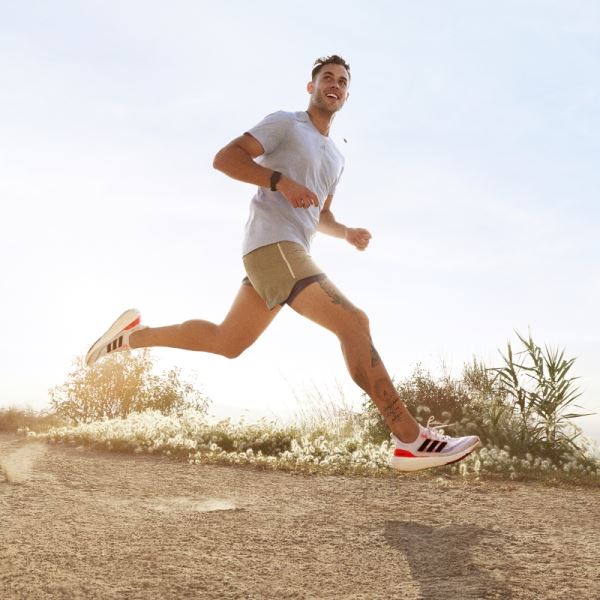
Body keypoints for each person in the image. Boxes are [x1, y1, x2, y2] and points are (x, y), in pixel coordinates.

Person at [86, 55, 480, 471]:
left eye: (342, 81)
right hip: (274, 245)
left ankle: (132, 336)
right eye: (326, 77)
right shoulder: (287, 124)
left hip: (284, 253)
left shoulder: (336, 158)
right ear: (310, 88)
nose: (335, 84)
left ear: (346, 95)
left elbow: (319, 214)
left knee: (227, 342)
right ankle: (410, 438)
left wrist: (345, 232)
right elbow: (225, 158)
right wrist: (279, 181)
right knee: (354, 323)